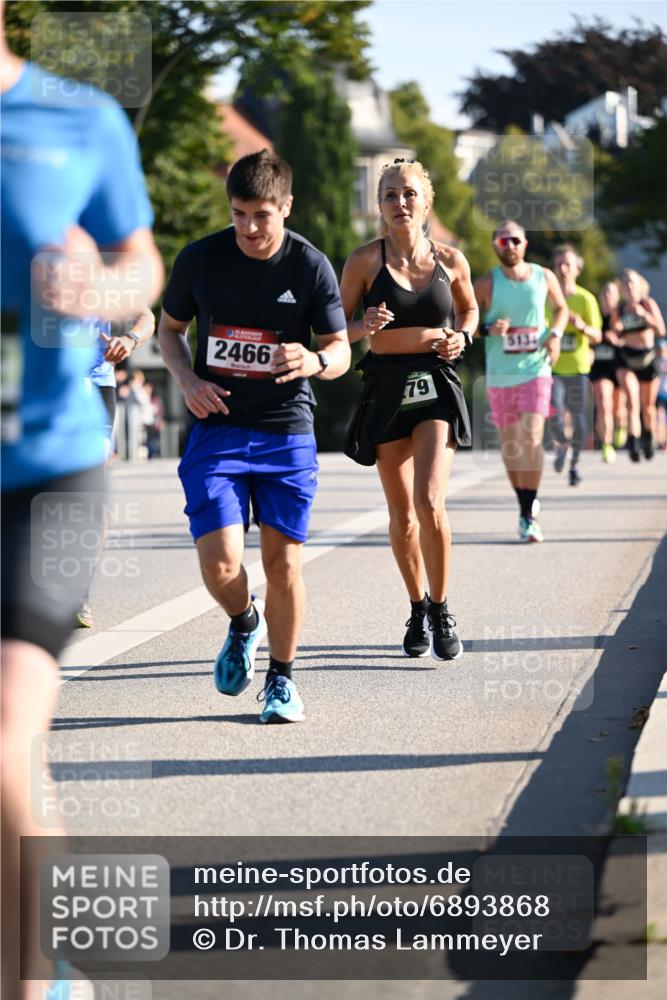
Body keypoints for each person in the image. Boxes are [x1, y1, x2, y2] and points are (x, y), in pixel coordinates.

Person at [0, 13, 162, 997]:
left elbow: (140, 260)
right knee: (19, 755)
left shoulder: (77, 117)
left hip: (49, 472)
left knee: (3, 727)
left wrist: (101, 289)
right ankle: (54, 955)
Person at [158, 149, 350, 723]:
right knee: (218, 566)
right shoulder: (199, 260)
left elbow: (341, 350)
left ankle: (282, 680)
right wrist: (187, 378)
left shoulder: (310, 266)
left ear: (286, 207)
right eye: (239, 214)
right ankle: (245, 620)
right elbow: (171, 332)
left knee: (284, 564)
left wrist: (315, 360)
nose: (248, 228)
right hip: (217, 428)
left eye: (261, 215)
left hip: (286, 430)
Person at [340, 159, 477, 660]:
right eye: (391, 195)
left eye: (410, 194)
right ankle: (416, 604)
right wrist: (364, 326)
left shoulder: (452, 260)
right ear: (379, 205)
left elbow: (469, 310)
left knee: (430, 502)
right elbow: (332, 329)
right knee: (401, 517)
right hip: (386, 387)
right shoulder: (363, 262)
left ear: (427, 201)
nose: (401, 203)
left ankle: (441, 610)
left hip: (436, 384)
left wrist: (461, 338)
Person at [473, 220, 568, 542]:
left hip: (536, 369)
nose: (509, 245)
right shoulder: (486, 283)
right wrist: (487, 330)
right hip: (501, 375)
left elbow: (561, 309)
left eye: (515, 240)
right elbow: (465, 321)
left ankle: (528, 515)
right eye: (503, 241)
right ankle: (524, 504)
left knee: (531, 439)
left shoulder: (544, 276)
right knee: (512, 448)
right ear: (495, 246)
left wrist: (554, 335)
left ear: (524, 243)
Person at [76, 308, 156, 628]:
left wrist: (130, 338)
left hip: (95, 383)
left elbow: (146, 317)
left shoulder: (108, 260)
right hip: (33, 383)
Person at [548, 245, 602, 485]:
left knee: (580, 424)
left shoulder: (585, 299)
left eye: (568, 264)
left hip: (579, 368)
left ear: (577, 270)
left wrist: (581, 326)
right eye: (559, 264)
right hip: (554, 367)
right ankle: (561, 447)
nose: (563, 269)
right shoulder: (546, 298)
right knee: (557, 416)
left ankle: (574, 464)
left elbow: (598, 336)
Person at [611, 268, 666, 461]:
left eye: (632, 282)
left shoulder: (648, 304)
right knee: (632, 402)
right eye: (625, 283)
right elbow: (615, 332)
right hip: (627, 358)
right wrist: (615, 334)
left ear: (639, 285)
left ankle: (648, 437)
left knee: (648, 406)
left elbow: (660, 330)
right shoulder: (619, 309)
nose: (628, 286)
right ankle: (633, 442)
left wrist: (643, 315)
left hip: (647, 358)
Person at [590, 280, 624, 463]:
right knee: (604, 404)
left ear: (618, 296)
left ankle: (621, 426)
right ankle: (606, 444)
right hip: (600, 367)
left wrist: (617, 339)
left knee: (618, 409)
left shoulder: (623, 314)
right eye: (605, 293)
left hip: (619, 366)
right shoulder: (595, 316)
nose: (608, 296)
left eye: (611, 293)